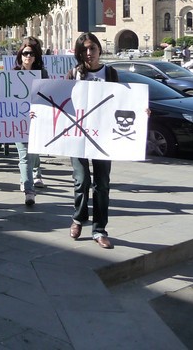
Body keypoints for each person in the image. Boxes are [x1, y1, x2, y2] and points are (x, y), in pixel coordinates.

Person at [66, 32, 117, 250]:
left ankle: (99, 230)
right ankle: (78, 218)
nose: (89, 53)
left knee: (102, 183)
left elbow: (121, 102)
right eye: (84, 50)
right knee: (82, 180)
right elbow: (61, 103)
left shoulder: (110, 73)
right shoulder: (73, 74)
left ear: (99, 49)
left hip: (103, 137)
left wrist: (141, 111)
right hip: (78, 136)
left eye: (92, 48)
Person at [12, 37, 47, 206]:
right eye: (25, 53)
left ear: (36, 56)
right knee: (25, 155)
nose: (28, 56)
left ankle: (30, 176)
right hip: (19, 121)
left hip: (36, 120)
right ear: (20, 55)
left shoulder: (42, 74)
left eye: (32, 54)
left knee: (33, 153)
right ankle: (29, 190)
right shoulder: (12, 74)